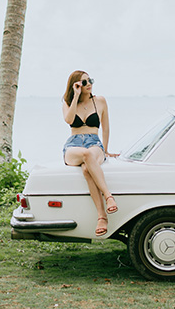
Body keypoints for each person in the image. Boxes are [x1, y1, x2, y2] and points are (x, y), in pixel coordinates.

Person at [61, 70, 118, 236]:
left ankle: (102, 216)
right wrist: (76, 96)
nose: (89, 84)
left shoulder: (100, 101)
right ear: (76, 85)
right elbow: (70, 120)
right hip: (74, 144)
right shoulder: (67, 102)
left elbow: (106, 128)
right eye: (84, 82)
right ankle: (108, 197)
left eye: (90, 80)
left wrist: (106, 150)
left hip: (94, 143)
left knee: (87, 167)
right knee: (86, 156)